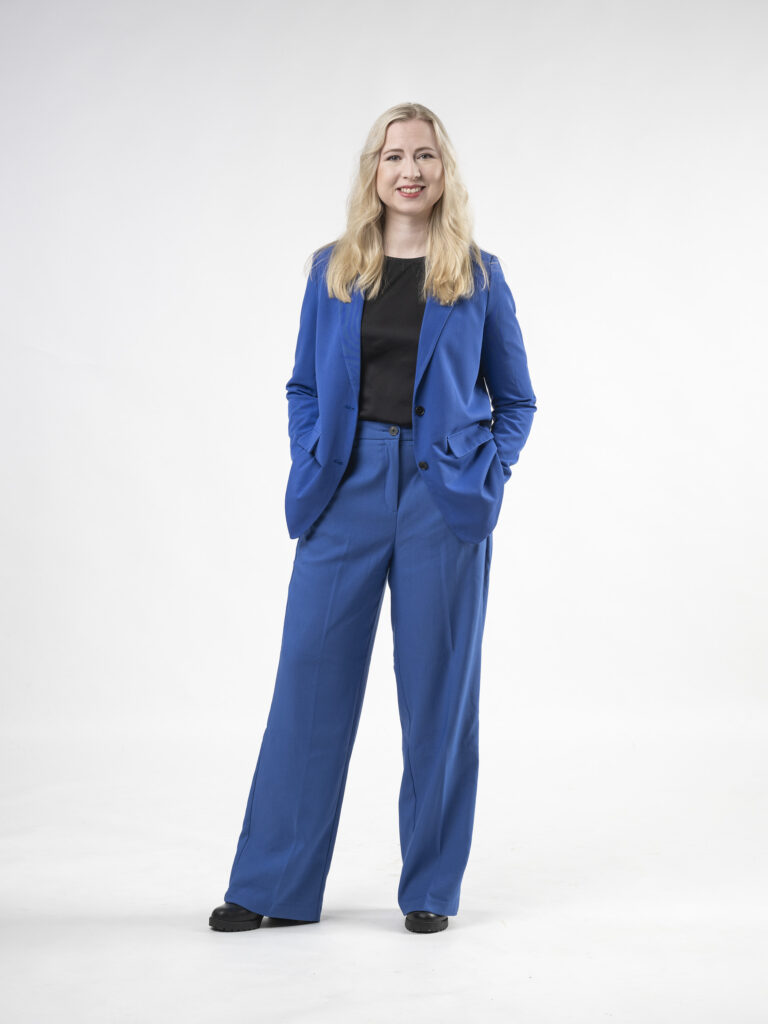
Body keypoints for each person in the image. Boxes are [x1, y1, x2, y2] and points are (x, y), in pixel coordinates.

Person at [209, 101, 537, 935]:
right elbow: (302, 385)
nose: (410, 171)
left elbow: (518, 400)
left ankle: (429, 889)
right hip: (344, 492)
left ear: (443, 170)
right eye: (395, 156)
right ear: (375, 170)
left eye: (425, 156)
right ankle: (272, 887)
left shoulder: (479, 275)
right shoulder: (334, 268)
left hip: (442, 501)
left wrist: (486, 470)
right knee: (308, 688)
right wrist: (315, 451)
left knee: (437, 698)